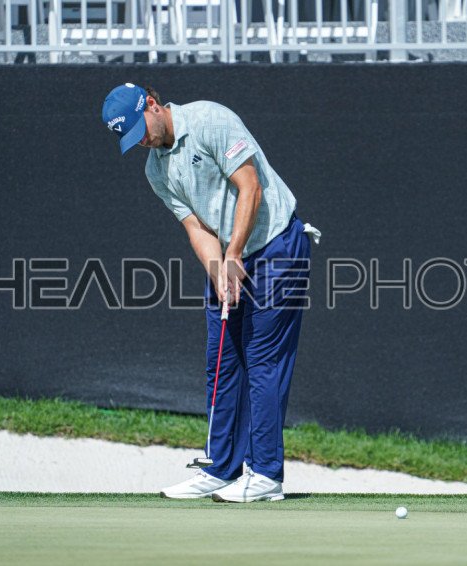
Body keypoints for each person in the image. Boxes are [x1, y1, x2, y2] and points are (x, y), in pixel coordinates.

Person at [102, 82, 320, 503]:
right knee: (221, 358)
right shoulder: (156, 171)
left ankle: (265, 475)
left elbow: (250, 187)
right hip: (230, 256)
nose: (142, 141)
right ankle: (221, 468)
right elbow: (197, 227)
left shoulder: (209, 119)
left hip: (277, 245)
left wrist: (233, 252)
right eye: (131, 139)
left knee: (262, 359)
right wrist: (219, 269)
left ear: (152, 104)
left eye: (140, 130)